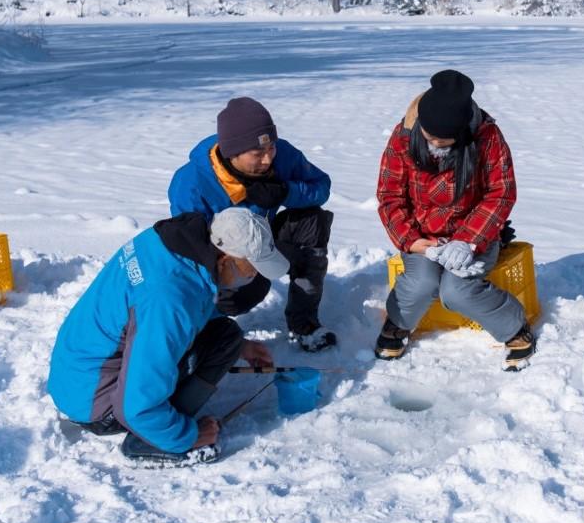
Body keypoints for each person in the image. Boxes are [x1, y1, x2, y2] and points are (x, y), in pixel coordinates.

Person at [48, 207, 282, 467]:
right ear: (225, 259)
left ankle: (160, 424)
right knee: (223, 343)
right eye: (250, 269)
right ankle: (150, 439)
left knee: (228, 337)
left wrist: (242, 347)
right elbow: (135, 405)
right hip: (96, 404)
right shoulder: (168, 299)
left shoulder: (168, 246)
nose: (252, 277)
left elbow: (184, 307)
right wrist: (186, 436)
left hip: (76, 378)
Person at [374, 69, 534, 371]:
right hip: (423, 236)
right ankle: (398, 324)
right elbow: (390, 196)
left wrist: (468, 241)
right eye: (430, 136)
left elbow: (501, 193)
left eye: (444, 140)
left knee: (456, 290)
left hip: (472, 234)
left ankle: (514, 327)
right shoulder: (403, 137)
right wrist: (416, 243)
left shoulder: (487, 136)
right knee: (420, 281)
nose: (435, 142)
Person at [169, 97, 335, 352]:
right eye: (257, 154)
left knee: (312, 220)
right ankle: (205, 328)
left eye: (271, 150)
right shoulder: (190, 184)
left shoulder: (282, 156)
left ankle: (304, 323)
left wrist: (285, 192)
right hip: (228, 261)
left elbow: (321, 187)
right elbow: (190, 253)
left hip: (268, 243)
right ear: (232, 153)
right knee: (242, 296)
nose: (268, 160)